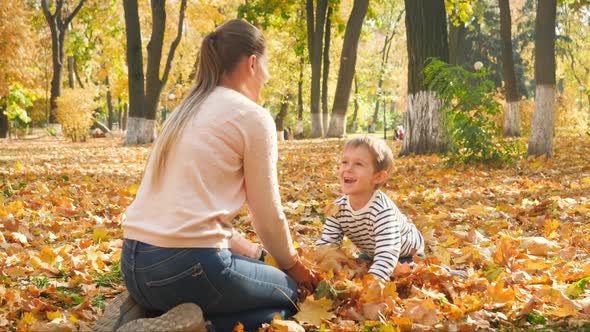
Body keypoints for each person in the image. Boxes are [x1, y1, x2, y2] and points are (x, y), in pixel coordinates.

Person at [117, 19, 319, 331]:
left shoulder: (184, 111)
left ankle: (154, 316)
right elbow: (267, 216)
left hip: (135, 266)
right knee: (288, 294)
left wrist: (257, 255)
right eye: (265, 68)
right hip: (186, 268)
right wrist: (294, 267)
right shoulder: (252, 117)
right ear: (253, 63)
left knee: (256, 280)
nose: (266, 78)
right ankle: (200, 326)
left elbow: (192, 217)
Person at [316, 136, 424, 281]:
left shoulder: (382, 211)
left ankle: (448, 273)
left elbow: (387, 254)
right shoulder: (338, 208)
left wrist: (370, 286)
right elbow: (327, 245)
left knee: (404, 276)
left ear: (378, 177)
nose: (348, 168)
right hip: (372, 251)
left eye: (358, 164)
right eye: (344, 162)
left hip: (406, 253)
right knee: (359, 267)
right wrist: (322, 269)